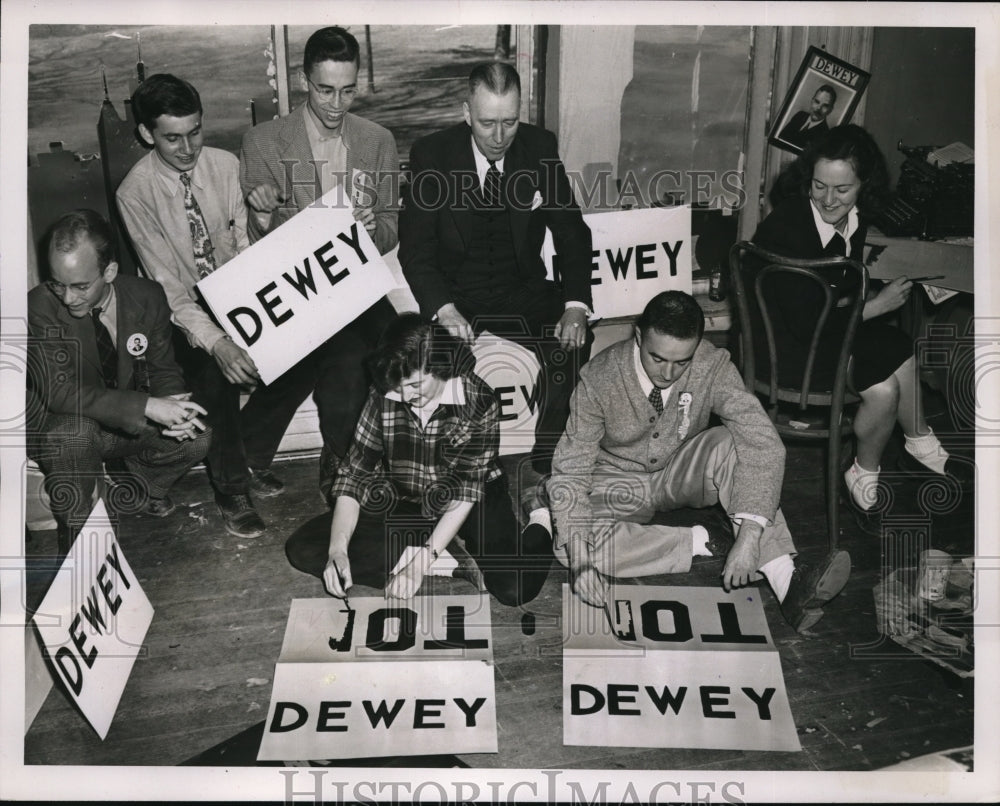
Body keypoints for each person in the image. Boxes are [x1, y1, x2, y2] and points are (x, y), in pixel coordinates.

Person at [547, 291, 850, 633]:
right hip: (617, 480)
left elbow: (763, 440)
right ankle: (704, 539)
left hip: (681, 469)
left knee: (732, 443)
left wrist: (750, 537)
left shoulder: (712, 364)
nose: (668, 373)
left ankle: (787, 578)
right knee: (571, 548)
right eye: (657, 359)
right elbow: (570, 471)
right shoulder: (599, 377)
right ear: (638, 336)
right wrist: (583, 564)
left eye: (682, 362)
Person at [752, 124, 971, 536]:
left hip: (824, 332)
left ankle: (913, 446)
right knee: (885, 385)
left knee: (896, 345)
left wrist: (867, 295)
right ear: (808, 180)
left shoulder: (854, 219)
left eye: (842, 190)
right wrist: (873, 305)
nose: (828, 200)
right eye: (819, 186)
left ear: (863, 187)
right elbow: (802, 322)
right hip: (786, 352)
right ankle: (876, 467)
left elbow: (835, 292)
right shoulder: (788, 225)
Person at [399, 61, 594, 474]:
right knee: (423, 360)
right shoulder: (431, 155)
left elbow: (571, 231)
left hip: (520, 289)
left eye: (510, 122)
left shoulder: (540, 146)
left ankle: (545, 459)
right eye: (487, 123)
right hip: (458, 296)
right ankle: (454, 469)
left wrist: (576, 305)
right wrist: (444, 309)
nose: (500, 137)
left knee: (575, 343)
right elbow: (416, 251)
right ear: (466, 113)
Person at [117, 73, 289, 539]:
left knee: (309, 345)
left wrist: (260, 220)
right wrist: (219, 344)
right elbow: (168, 290)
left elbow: (249, 253)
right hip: (182, 311)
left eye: (195, 131)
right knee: (215, 374)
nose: (189, 147)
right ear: (146, 134)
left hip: (239, 293)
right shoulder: (134, 194)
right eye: (173, 138)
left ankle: (249, 450)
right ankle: (231, 488)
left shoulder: (226, 165)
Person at [286, 313, 554, 606]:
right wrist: (337, 550)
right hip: (408, 496)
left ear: (440, 366)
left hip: (473, 499)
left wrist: (419, 563)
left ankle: (540, 516)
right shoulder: (386, 392)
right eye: (397, 386)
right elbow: (354, 476)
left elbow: (465, 492)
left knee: (515, 588)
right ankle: (450, 561)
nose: (403, 396)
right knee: (305, 549)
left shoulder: (480, 400)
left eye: (415, 385)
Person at [239, 25, 399, 503]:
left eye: (348, 90)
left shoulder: (377, 141)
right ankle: (343, 459)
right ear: (304, 78)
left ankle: (336, 456)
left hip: (358, 286)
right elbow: (254, 248)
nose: (336, 104)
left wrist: (373, 231)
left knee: (401, 346)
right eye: (326, 89)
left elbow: (392, 230)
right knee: (343, 356)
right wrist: (262, 215)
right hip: (298, 291)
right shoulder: (263, 142)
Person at [27, 210, 211, 553]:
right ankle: (80, 539)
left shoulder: (147, 296)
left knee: (197, 438)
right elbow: (60, 392)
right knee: (72, 436)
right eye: (58, 283)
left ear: (109, 271)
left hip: (123, 419)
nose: (67, 298)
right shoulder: (39, 306)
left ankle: (137, 487)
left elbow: (162, 368)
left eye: (80, 286)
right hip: (69, 422)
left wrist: (174, 404)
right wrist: (149, 406)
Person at [778, 85, 837, 151]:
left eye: (825, 106)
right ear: (812, 101)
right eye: (817, 102)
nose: (818, 108)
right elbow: (780, 137)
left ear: (830, 110)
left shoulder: (824, 136)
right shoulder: (800, 115)